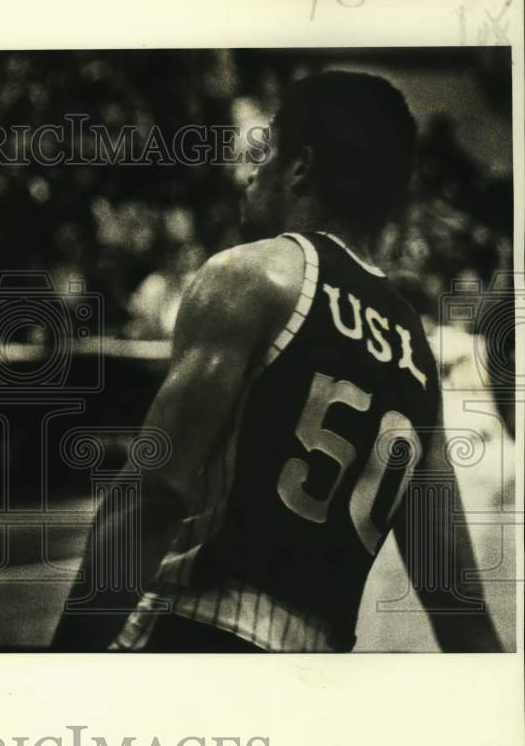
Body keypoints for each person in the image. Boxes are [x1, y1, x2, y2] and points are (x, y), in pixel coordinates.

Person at [52, 71, 502, 652]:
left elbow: (154, 499)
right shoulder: (415, 352)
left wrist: (61, 664)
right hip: (314, 680)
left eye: (264, 153)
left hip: (200, 634)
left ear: (298, 168)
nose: (249, 171)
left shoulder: (254, 275)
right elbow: (458, 608)